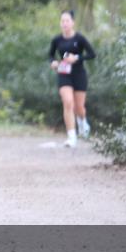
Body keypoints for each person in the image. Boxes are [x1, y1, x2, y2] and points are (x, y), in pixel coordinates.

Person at [48, 10, 96, 148]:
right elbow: (50, 55)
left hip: (79, 74)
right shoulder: (56, 40)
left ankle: (82, 122)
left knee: (79, 107)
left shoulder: (79, 38)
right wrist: (53, 62)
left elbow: (92, 54)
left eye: (67, 21)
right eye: (62, 21)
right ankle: (71, 136)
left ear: (72, 22)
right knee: (68, 102)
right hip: (64, 74)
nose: (64, 24)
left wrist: (77, 58)